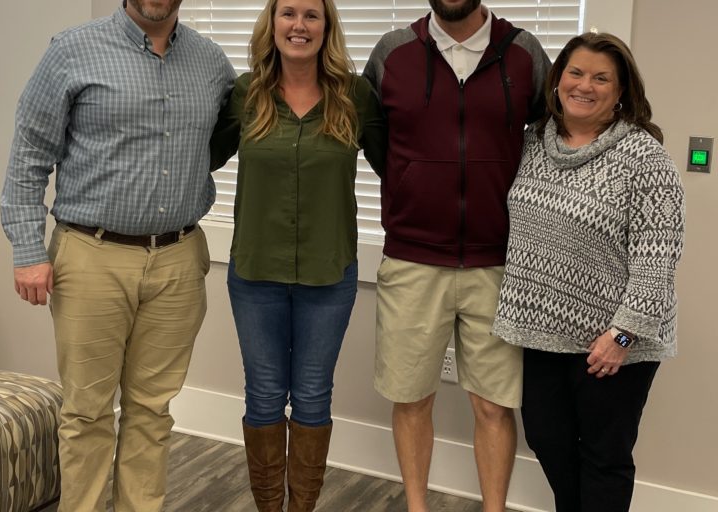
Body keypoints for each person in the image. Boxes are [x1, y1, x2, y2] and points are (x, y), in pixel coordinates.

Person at [0, 1, 235, 510]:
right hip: (92, 255)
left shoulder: (212, 63)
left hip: (178, 259)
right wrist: (27, 249)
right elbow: (29, 157)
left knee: (153, 411)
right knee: (87, 413)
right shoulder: (72, 51)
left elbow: (220, 143)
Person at [362, 1, 550, 510]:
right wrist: (414, 183)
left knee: (494, 406)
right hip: (413, 260)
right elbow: (375, 139)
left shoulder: (523, 52)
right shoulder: (393, 52)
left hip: (499, 263)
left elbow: (555, 134)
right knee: (411, 398)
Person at [492, 32, 685, 512]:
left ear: (620, 91)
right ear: (557, 80)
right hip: (542, 331)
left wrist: (622, 335)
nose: (585, 85)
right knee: (546, 439)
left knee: (604, 457)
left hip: (614, 343)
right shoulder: (531, 143)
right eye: (575, 73)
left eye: (601, 78)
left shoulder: (645, 158)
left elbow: (658, 259)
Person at [209, 0, 384, 510]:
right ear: (273, 23)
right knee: (263, 394)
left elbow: (400, 167)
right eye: (288, 13)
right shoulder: (246, 94)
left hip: (329, 275)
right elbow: (201, 156)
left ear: (327, 27)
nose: (299, 25)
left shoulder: (355, 96)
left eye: (311, 15)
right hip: (255, 273)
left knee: (311, 394)